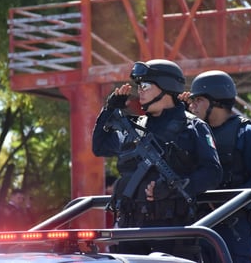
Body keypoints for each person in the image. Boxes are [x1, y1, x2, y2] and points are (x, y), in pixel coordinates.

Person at [92, 59, 223, 260]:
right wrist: (109, 110)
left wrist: (176, 188)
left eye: (145, 86)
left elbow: (212, 172)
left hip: (172, 232)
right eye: (138, 86)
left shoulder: (192, 127)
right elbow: (99, 146)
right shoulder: (134, 127)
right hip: (130, 231)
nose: (140, 91)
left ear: (166, 88)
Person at [179, 70, 251, 263]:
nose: (193, 105)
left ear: (216, 101)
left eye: (198, 100)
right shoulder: (190, 132)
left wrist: (231, 202)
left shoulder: (246, 134)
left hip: (233, 227)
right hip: (193, 223)